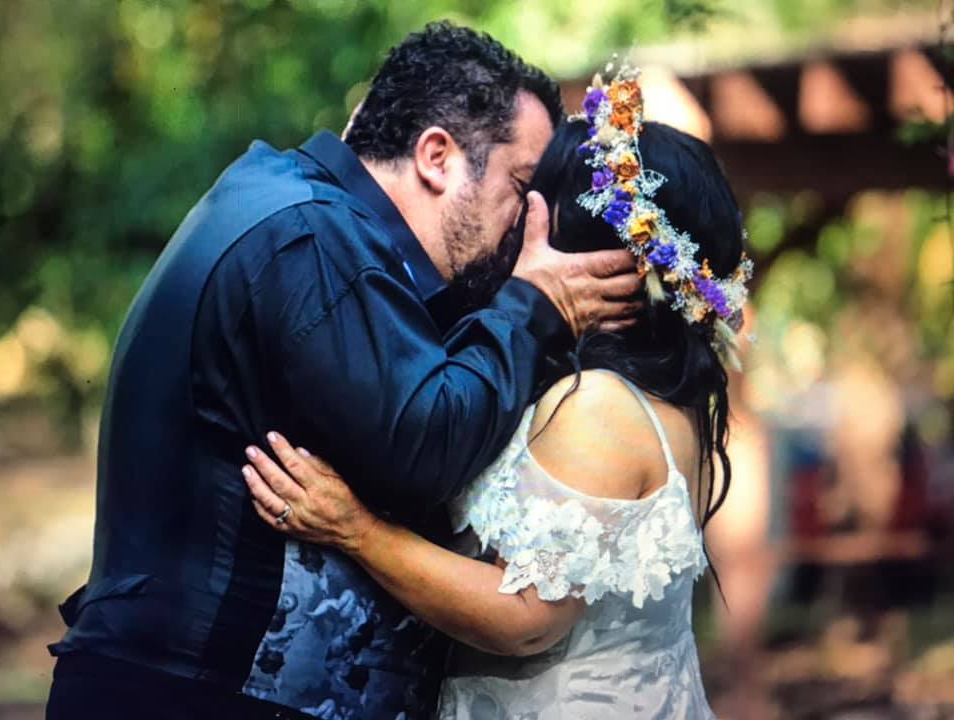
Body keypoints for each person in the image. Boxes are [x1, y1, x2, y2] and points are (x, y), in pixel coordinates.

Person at [45, 24, 643, 720]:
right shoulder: (311, 239)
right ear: (438, 157)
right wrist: (535, 306)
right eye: (519, 187)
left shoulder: (305, 215)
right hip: (191, 695)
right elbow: (425, 447)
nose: (525, 227)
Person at [243, 68, 753, 719]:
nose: (517, 224)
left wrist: (357, 530)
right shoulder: (658, 398)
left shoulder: (598, 406)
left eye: (534, 201)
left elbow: (528, 618)